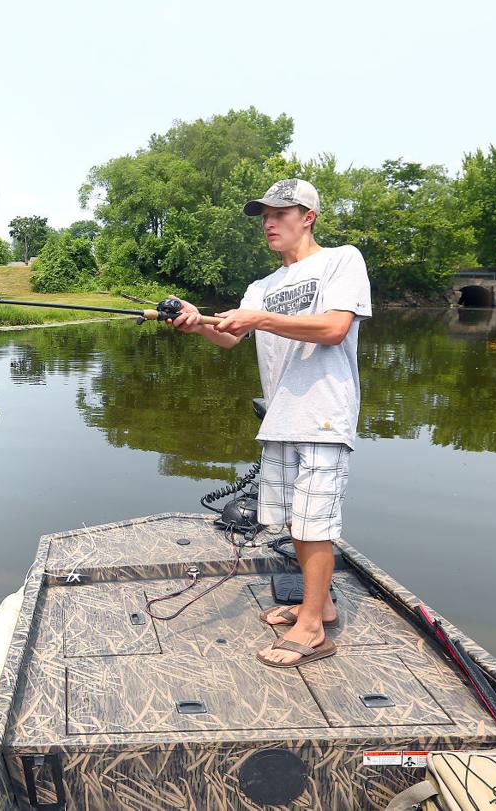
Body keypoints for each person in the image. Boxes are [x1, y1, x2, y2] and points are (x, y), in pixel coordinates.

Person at [169, 178, 371, 668]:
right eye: (264, 214)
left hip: (323, 413)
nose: (269, 222)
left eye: (281, 212)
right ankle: (317, 602)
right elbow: (229, 337)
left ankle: (314, 631)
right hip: (281, 417)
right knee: (292, 520)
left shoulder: (341, 260)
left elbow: (333, 328)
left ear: (309, 216)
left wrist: (257, 319)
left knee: (313, 520)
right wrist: (198, 322)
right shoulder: (262, 287)